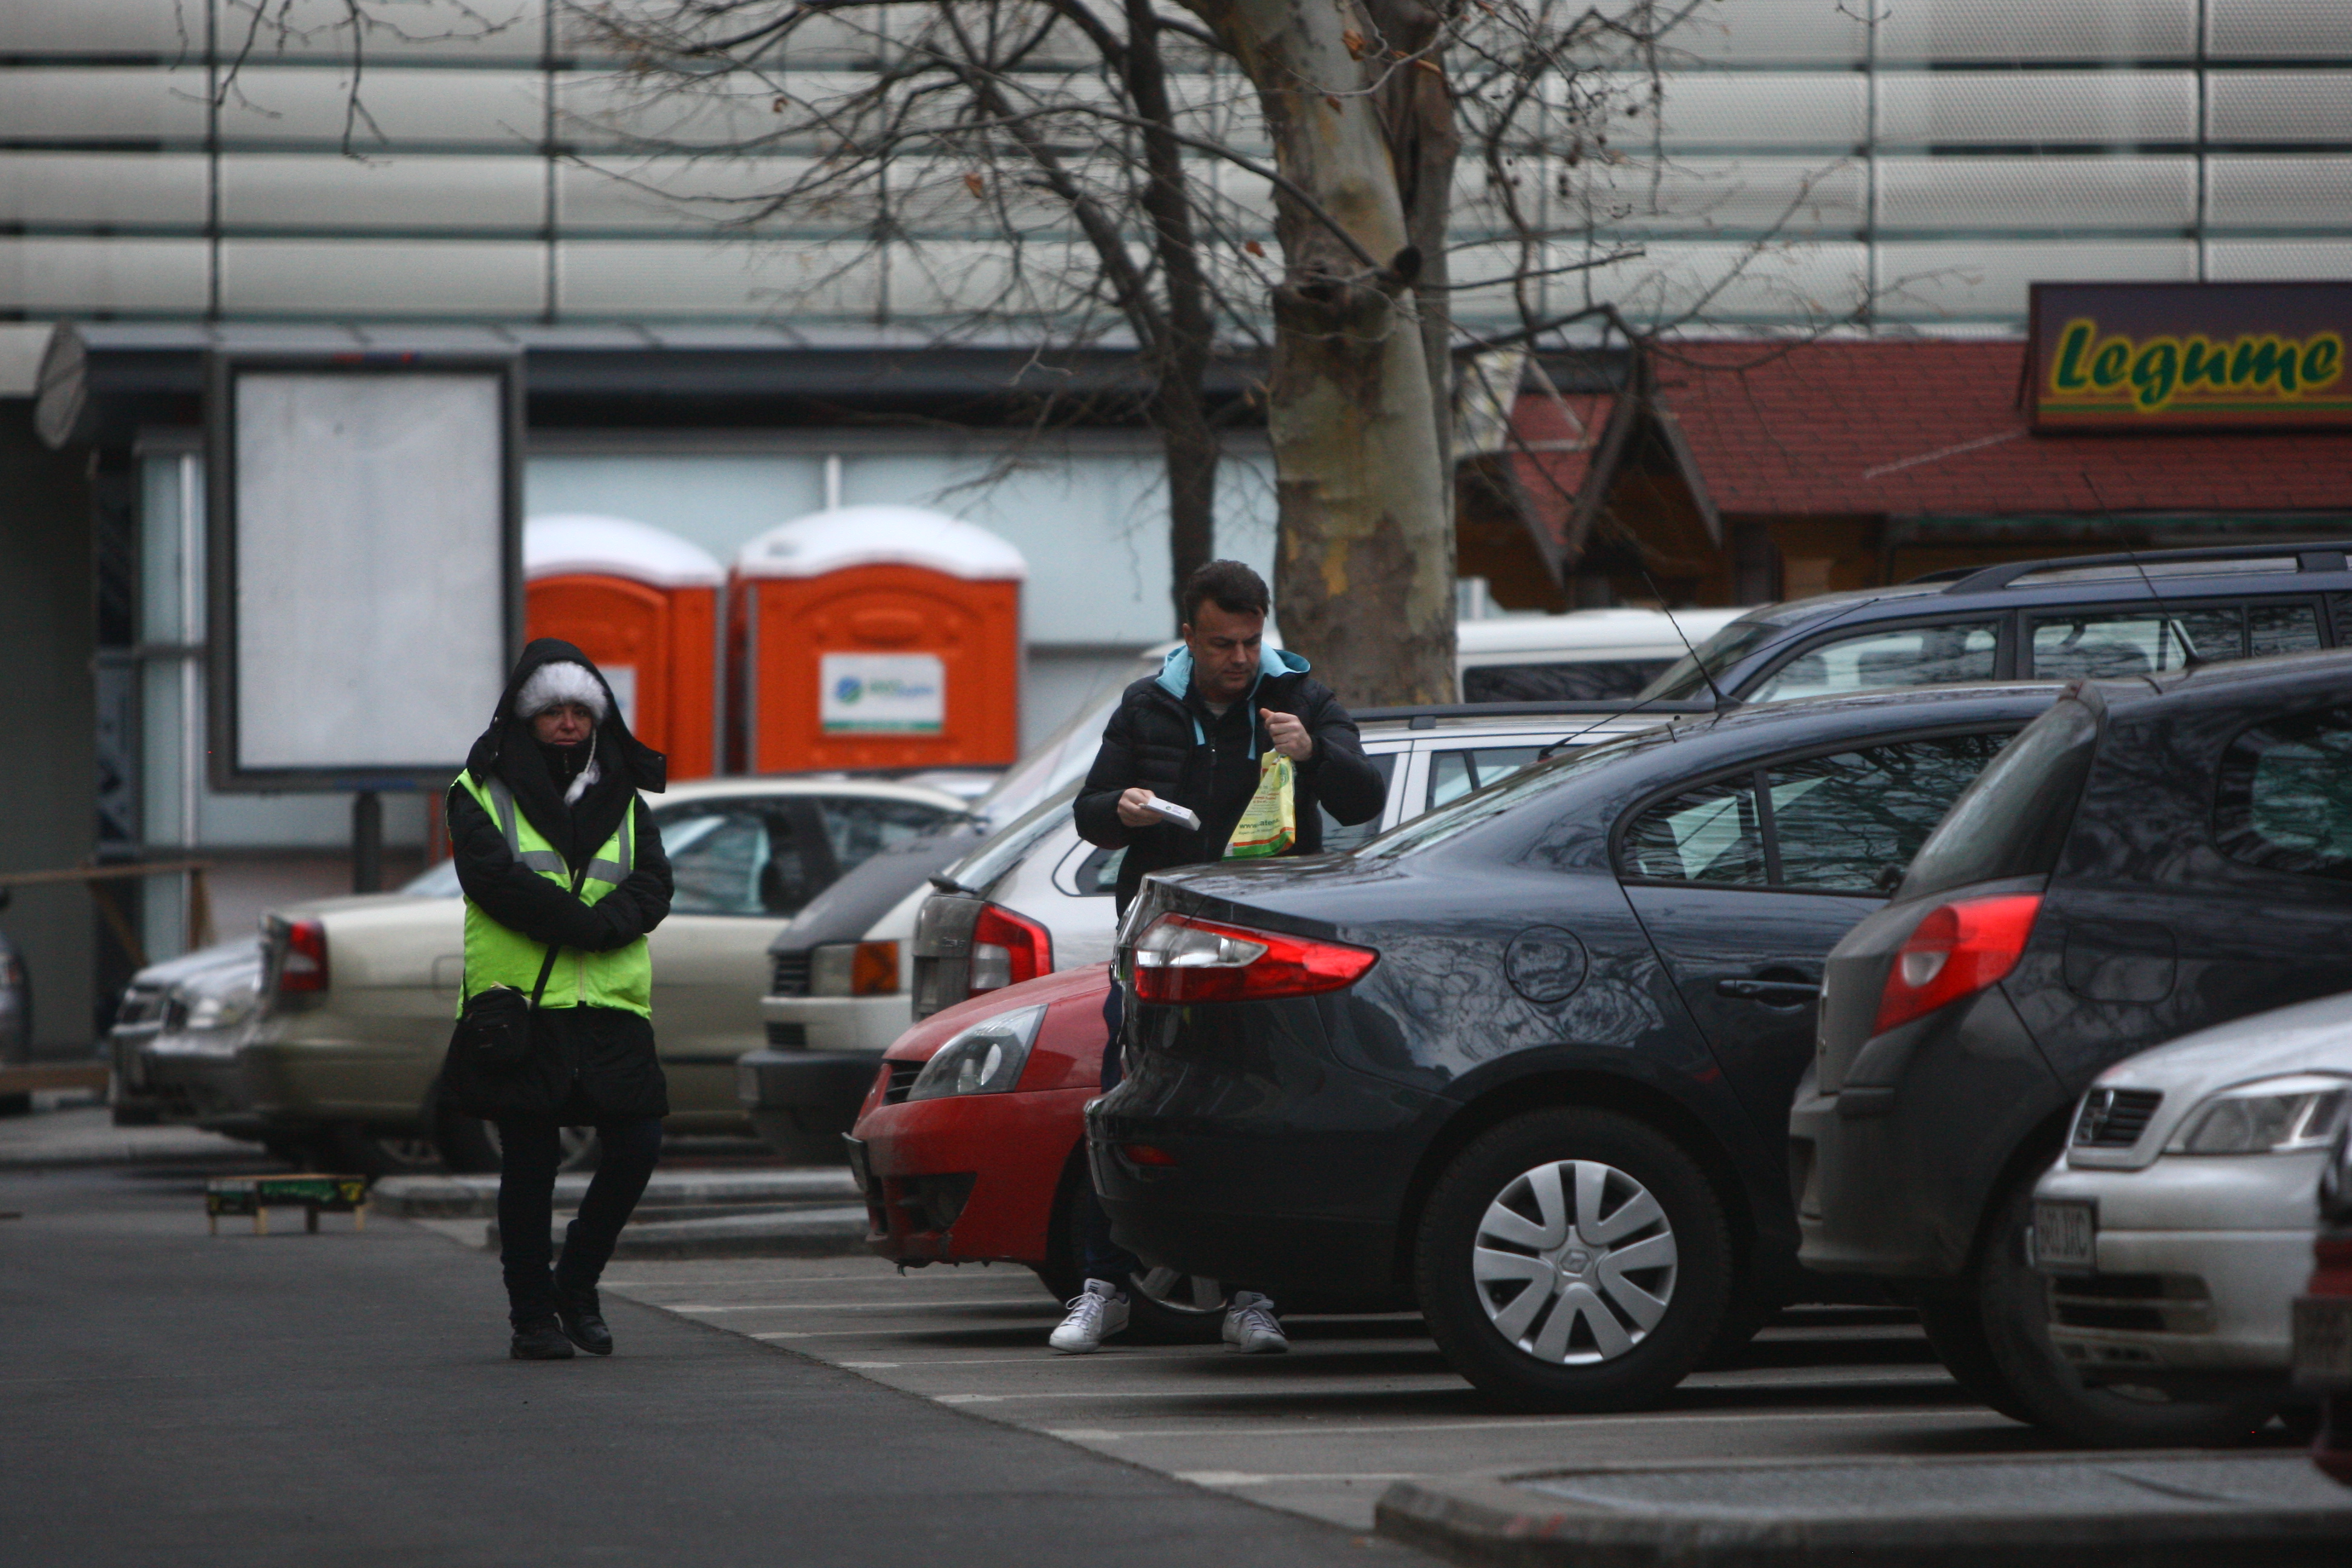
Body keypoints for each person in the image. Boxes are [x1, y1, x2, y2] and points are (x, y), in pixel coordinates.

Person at [1050, 560, 1388, 1355]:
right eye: (1222, 644)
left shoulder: (1300, 697)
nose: (1239, 659)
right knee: (1126, 1101)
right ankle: (1102, 1287)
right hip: (1162, 940)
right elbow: (1090, 814)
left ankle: (1254, 1299)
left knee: (1259, 1115)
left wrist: (1313, 754)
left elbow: (1363, 798)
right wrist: (1124, 809)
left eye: (1250, 640)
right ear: (1189, 638)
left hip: (1262, 944)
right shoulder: (1147, 705)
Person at [439, 639, 675, 1361]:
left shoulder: (624, 794)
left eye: (580, 710)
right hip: (522, 1008)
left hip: (611, 1005)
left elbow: (655, 884)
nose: (568, 723)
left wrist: (609, 926)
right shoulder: (477, 789)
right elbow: (494, 879)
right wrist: (587, 925)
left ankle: (576, 1283)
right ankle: (531, 1319)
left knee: (638, 1145)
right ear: (524, 717)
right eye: (552, 712)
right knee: (531, 1165)